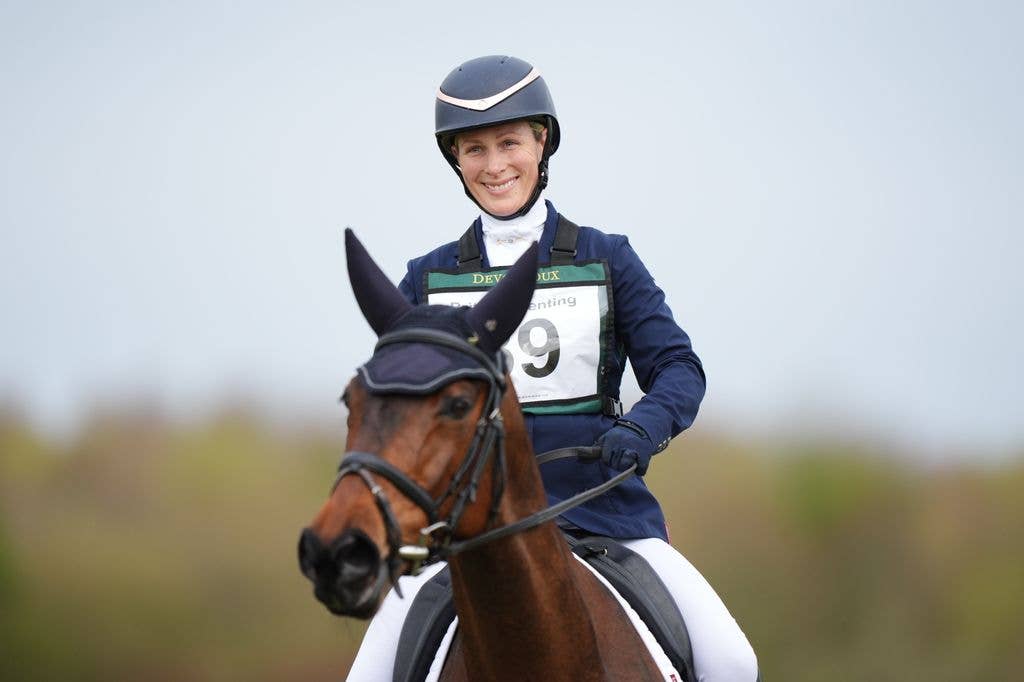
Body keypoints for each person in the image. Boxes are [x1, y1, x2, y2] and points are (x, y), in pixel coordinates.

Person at [345, 55, 758, 681]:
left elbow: (678, 367)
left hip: (604, 513)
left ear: (542, 142)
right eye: (474, 149)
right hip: (464, 532)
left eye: (509, 142)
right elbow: (399, 411)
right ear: (456, 160)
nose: (494, 165)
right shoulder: (428, 281)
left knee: (732, 661)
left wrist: (643, 428)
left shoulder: (607, 257)